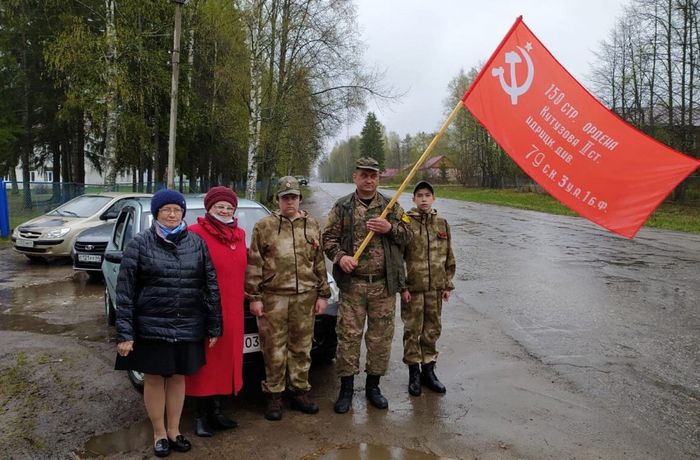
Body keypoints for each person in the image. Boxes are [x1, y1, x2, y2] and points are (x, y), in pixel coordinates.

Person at [115, 189, 222, 458]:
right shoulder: (139, 244)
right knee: (154, 379)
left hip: (187, 324)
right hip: (151, 325)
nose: (172, 214)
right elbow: (125, 292)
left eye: (177, 210)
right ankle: (159, 433)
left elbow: (210, 286)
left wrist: (214, 324)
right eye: (166, 210)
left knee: (177, 378)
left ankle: (174, 431)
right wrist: (125, 333)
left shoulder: (196, 244)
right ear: (157, 213)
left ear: (183, 213)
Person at [322, 157, 411, 414]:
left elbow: (408, 235)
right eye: (364, 175)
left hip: (383, 286)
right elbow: (328, 238)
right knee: (348, 338)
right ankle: (346, 389)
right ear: (355, 177)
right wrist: (341, 257)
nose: (368, 180)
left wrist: (389, 227)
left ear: (378, 178)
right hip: (353, 286)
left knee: (380, 339)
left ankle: (373, 387)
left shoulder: (390, 206)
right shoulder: (343, 207)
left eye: (373, 175)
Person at [245, 176, 331, 421]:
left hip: (305, 295)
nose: (289, 201)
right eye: (285, 198)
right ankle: (274, 395)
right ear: (278, 200)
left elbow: (318, 262)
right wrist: (255, 297)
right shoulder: (264, 226)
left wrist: (323, 294)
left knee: (302, 347)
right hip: (273, 297)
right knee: (273, 349)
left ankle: (300, 391)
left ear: (300, 199)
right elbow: (254, 263)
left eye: (293, 197)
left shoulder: (312, 224)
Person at [185, 186, 246, 436]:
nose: (224, 210)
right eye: (219, 206)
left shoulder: (240, 234)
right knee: (206, 362)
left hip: (233, 308)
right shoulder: (194, 233)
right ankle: (200, 416)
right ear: (208, 208)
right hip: (206, 309)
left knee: (226, 361)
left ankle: (217, 411)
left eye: (229, 207)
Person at [401, 181, 456, 396]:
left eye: (427, 195)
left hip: (435, 289)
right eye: (419, 195)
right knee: (412, 330)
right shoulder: (405, 223)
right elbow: (399, 258)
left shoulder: (442, 223)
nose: (424, 199)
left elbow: (448, 255)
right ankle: (414, 373)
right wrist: (402, 286)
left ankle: (429, 371)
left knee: (432, 329)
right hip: (413, 288)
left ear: (433, 198)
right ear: (413, 199)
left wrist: (447, 284)